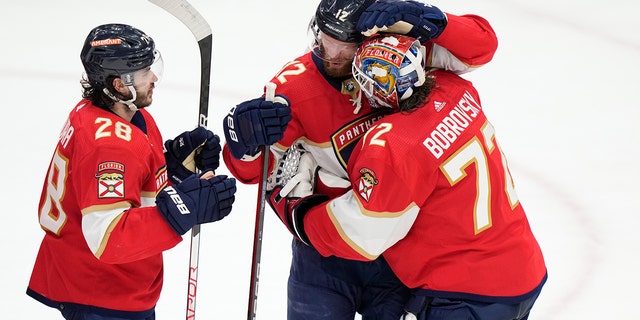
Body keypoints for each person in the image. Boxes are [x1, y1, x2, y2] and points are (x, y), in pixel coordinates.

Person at [221, 0, 499, 318]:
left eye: (346, 47)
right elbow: (255, 172)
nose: (331, 56)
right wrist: (245, 144)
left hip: (398, 251)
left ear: (372, 40)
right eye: (325, 40)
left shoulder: (398, 53)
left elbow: (481, 47)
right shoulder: (293, 88)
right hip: (325, 254)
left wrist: (433, 20)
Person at [268, 34, 547, 320]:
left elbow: (360, 235)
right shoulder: (456, 89)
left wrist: (297, 210)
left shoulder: (393, 143)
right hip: (525, 270)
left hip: (463, 294)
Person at [26, 23, 237, 320]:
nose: (153, 78)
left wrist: (176, 167)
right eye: (143, 72)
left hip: (112, 284)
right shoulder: (107, 146)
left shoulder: (120, 115)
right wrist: (184, 209)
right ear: (118, 84)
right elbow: (109, 238)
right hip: (101, 293)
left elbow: (131, 185)